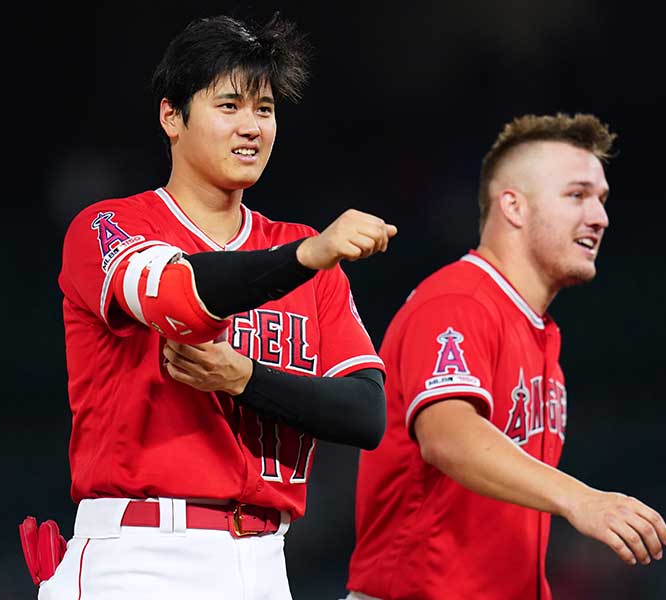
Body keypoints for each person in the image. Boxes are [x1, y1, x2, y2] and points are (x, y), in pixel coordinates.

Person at [34, 14, 396, 600]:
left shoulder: (303, 252)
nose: (251, 127)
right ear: (170, 116)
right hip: (138, 555)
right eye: (229, 106)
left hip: (264, 562)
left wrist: (247, 379)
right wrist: (304, 256)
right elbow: (176, 298)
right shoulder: (108, 226)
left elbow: (367, 414)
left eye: (265, 109)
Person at [345, 114, 666, 600]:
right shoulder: (458, 301)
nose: (600, 216)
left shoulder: (534, 329)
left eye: (601, 199)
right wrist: (580, 498)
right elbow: (447, 436)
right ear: (514, 206)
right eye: (577, 195)